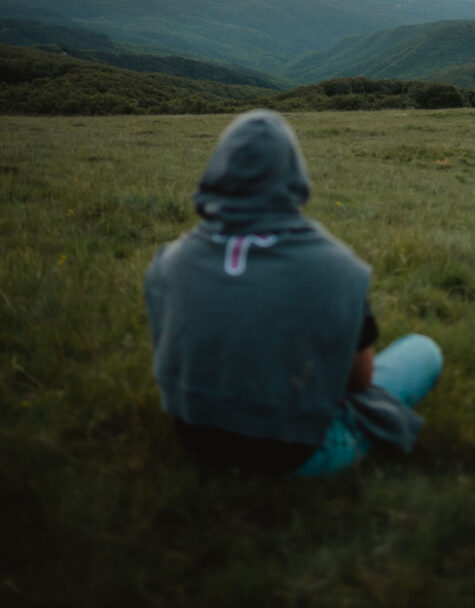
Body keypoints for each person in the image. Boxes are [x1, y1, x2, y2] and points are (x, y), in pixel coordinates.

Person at [144, 109, 443, 476]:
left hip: (196, 443)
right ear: (294, 173)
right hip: (292, 452)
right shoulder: (335, 268)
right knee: (423, 351)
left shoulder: (170, 260)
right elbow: (361, 379)